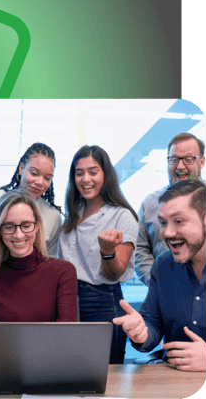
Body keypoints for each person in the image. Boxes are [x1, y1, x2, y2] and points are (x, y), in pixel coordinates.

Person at [0, 190, 77, 365]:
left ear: (37, 226)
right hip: (1, 368)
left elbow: (64, 336)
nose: (18, 235)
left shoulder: (63, 272)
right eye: (9, 226)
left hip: (49, 368)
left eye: (26, 225)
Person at [113, 179, 206, 372]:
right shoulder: (163, 264)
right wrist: (142, 332)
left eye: (178, 221)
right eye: (163, 223)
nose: (167, 233)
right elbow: (153, 323)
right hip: (172, 379)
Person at [58, 145, 139, 364]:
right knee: (69, 370)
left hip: (102, 301)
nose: (86, 178)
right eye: (79, 172)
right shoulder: (73, 214)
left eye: (93, 172)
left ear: (106, 175)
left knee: (104, 376)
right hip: (68, 299)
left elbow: (115, 272)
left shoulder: (122, 216)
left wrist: (107, 251)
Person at [0, 143, 63, 276]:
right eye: (34, 173)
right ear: (21, 168)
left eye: (47, 178)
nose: (40, 182)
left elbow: (48, 263)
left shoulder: (53, 216)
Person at [135, 133, 206, 285]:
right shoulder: (150, 204)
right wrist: (158, 283)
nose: (180, 166)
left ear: (201, 161)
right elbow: (140, 251)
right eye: (174, 159)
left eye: (188, 159)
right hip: (168, 295)